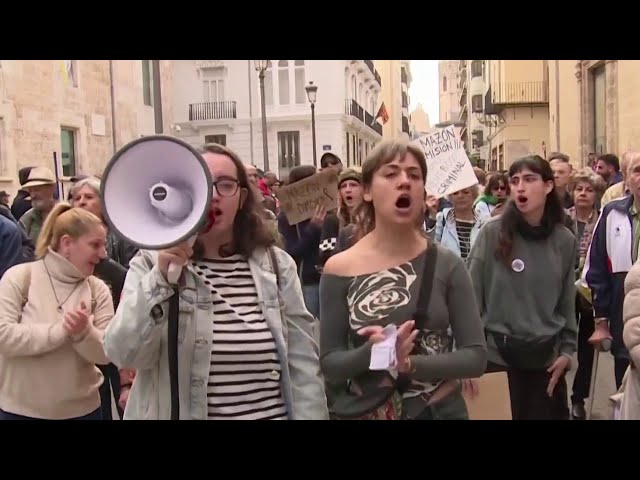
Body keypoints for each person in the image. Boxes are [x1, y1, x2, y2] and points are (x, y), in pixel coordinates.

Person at [104, 143, 328, 420]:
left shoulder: (277, 266)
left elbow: (303, 363)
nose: (212, 195)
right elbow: (123, 352)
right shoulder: (150, 264)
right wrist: (159, 281)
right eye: (200, 184)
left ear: (242, 197)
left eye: (224, 185)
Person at [320, 138, 487, 420]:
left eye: (414, 175)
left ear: (423, 191)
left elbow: (475, 357)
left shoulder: (448, 264)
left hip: (440, 412)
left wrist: (409, 363)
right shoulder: (339, 268)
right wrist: (372, 353)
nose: (404, 181)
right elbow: (330, 363)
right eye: (391, 173)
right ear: (368, 191)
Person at [467, 155, 578, 420]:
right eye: (514, 180)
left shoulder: (564, 240)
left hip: (545, 362)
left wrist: (567, 352)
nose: (520, 187)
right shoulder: (492, 233)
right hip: (497, 359)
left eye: (529, 179)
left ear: (548, 186)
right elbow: (471, 298)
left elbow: (566, 301)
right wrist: (469, 356)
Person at [0, 203, 114, 420]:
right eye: (95, 245)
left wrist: (83, 333)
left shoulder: (97, 290)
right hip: (20, 412)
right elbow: (3, 336)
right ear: (66, 243)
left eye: (104, 245)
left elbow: (107, 352)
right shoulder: (19, 278)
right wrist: (60, 331)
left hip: (84, 412)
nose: (103, 254)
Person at [69, 177, 130, 419]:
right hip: (84, 331)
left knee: (125, 399)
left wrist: (99, 258)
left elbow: (132, 279)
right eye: (77, 198)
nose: (81, 202)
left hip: (119, 326)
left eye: (88, 197)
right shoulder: (66, 239)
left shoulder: (124, 233)